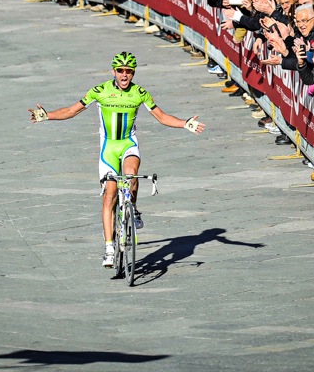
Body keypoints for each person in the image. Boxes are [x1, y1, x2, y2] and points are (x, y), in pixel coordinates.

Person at [28, 52, 205, 268]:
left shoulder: (140, 93)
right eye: (120, 70)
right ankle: (109, 247)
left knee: (131, 174)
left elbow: (162, 116)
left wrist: (184, 123)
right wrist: (47, 115)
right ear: (114, 71)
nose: (124, 75)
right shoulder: (100, 91)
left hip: (128, 144)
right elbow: (72, 111)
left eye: (129, 71)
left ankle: (134, 208)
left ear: (133, 73)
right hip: (109, 148)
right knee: (109, 196)